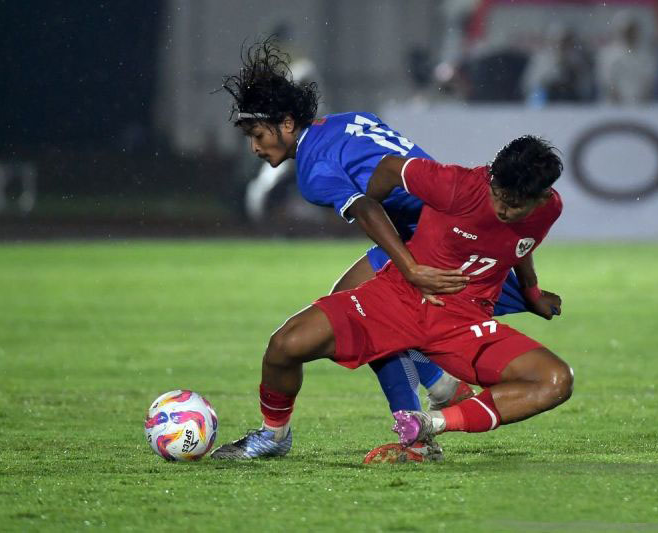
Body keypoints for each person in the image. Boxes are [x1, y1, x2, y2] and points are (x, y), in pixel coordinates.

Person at [212, 37, 552, 462]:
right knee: (352, 306)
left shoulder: (314, 171)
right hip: (439, 230)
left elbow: (368, 205)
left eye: (258, 135)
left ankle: (407, 427)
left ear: (285, 124)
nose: (255, 147)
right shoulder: (349, 120)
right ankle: (437, 387)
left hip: (434, 241)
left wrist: (410, 267)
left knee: (361, 318)